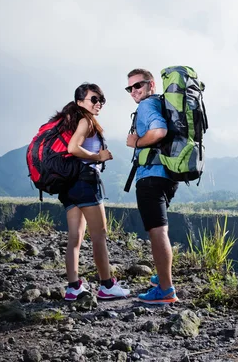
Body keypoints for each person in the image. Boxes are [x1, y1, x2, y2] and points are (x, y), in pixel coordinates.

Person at [54, 83, 130, 301]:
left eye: (101, 100)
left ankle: (73, 287)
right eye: (94, 99)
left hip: (69, 184)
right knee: (99, 235)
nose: (99, 104)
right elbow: (73, 148)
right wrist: (98, 157)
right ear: (80, 102)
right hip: (85, 182)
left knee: (75, 238)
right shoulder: (85, 121)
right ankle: (106, 285)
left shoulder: (70, 121)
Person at [125, 68, 179, 305]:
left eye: (138, 85)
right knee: (160, 230)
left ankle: (165, 290)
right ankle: (162, 278)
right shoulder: (160, 104)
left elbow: (159, 131)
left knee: (157, 232)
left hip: (151, 177)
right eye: (130, 88)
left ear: (152, 85)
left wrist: (135, 141)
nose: (134, 91)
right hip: (167, 176)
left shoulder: (147, 106)